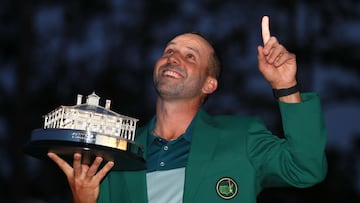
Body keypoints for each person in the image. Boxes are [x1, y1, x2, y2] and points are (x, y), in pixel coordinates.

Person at [47, 16, 327, 203]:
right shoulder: (116, 153)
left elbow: (306, 169)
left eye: (190, 56)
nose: (173, 58)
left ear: (209, 84)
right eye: (169, 51)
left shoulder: (242, 137)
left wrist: (286, 86)